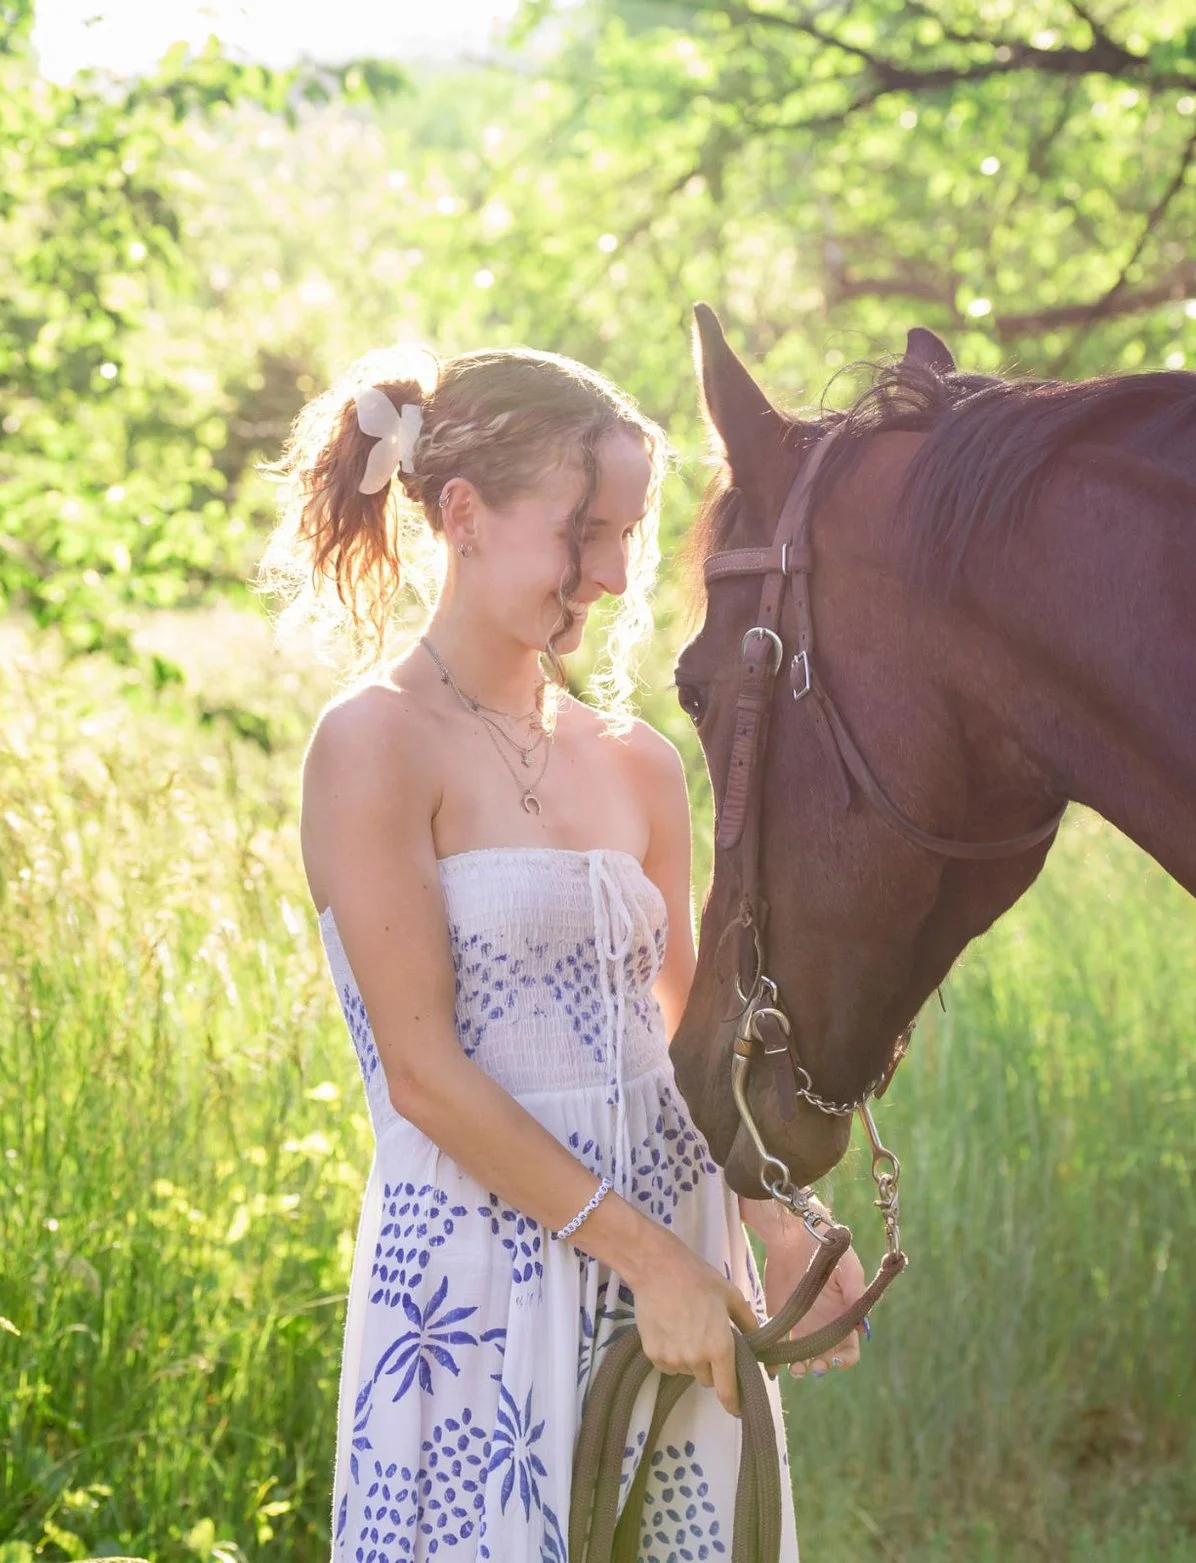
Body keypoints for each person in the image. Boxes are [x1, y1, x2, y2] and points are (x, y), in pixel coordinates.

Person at [264, 344, 865, 1561]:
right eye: (581, 530)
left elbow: (690, 1032)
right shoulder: (374, 745)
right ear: (465, 515)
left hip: (673, 1270)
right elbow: (423, 1075)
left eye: (626, 537)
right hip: (482, 1280)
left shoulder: (636, 761)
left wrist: (782, 1214)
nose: (606, 573)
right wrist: (653, 1265)